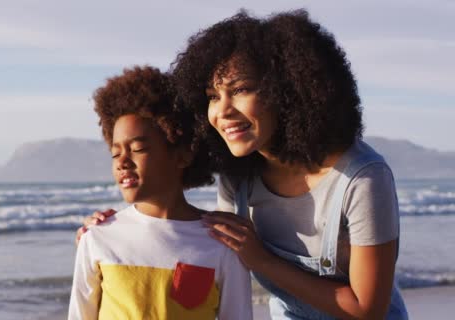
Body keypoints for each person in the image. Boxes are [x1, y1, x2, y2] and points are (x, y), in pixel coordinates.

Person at [79, 10, 408, 319]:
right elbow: (206, 239)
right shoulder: (239, 177)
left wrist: (262, 259)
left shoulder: (362, 179)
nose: (222, 111)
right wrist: (114, 229)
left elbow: (368, 309)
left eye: (240, 90)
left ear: (289, 90)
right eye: (212, 95)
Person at [68, 66, 253, 320]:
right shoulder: (98, 237)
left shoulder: (221, 244)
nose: (122, 161)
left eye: (138, 149)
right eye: (115, 152)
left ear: (183, 155)